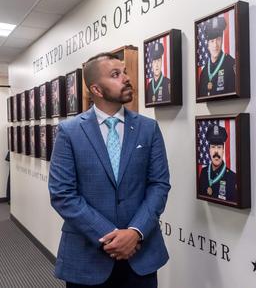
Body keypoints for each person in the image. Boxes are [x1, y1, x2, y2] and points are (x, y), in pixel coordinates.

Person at [48, 52, 171, 288]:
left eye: (125, 72)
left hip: (140, 255)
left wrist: (135, 231)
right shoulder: (69, 132)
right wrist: (111, 236)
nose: (126, 78)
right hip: (86, 256)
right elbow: (62, 194)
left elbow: (159, 184)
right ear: (96, 89)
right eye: (116, 74)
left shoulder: (148, 128)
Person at [198, 16, 235, 97]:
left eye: (218, 39)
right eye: (212, 41)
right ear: (207, 45)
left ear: (222, 41)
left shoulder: (231, 64)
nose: (215, 45)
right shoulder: (204, 72)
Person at [198, 124, 236, 201]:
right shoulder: (204, 172)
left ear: (223, 151)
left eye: (219, 147)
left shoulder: (232, 177)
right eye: (213, 147)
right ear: (209, 150)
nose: (216, 151)